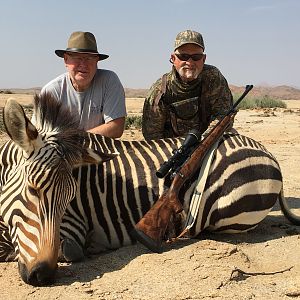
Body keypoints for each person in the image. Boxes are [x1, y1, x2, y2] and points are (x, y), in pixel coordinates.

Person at [142, 29, 233, 140]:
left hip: (208, 140)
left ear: (204, 59)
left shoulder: (213, 77)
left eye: (196, 57)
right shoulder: (160, 90)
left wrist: (204, 140)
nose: (190, 63)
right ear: (173, 58)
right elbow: (152, 135)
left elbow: (223, 115)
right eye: (183, 56)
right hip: (172, 146)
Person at [40, 31, 126, 138]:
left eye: (89, 58)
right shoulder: (51, 92)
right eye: (77, 58)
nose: (83, 64)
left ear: (97, 61)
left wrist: (73, 141)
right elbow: (42, 137)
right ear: (66, 60)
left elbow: (116, 128)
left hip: (98, 152)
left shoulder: (109, 81)